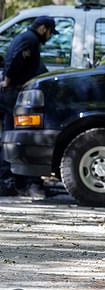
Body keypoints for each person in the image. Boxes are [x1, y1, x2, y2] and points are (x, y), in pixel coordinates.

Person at [0, 16, 58, 198]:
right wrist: (8, 79)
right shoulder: (29, 40)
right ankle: (9, 181)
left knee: (13, 136)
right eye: (49, 32)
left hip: (15, 94)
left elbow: (36, 68)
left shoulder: (28, 39)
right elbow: (16, 58)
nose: (49, 37)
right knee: (13, 137)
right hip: (13, 94)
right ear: (43, 28)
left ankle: (18, 181)